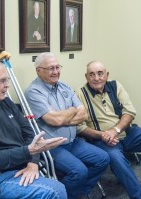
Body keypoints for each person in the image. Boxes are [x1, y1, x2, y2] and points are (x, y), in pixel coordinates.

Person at [0, 59, 67, 199]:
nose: (7, 85)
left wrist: (33, 162)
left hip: (22, 166)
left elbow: (30, 135)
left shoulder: (6, 102)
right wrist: (29, 151)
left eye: (7, 80)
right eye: (2, 81)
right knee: (55, 190)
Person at [24, 52, 110, 199]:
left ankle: (79, 192)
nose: (56, 72)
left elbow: (84, 114)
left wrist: (63, 117)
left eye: (57, 67)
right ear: (39, 70)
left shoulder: (64, 86)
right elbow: (54, 121)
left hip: (73, 141)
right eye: (51, 68)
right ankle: (64, 195)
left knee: (103, 158)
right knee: (79, 171)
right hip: (51, 146)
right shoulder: (33, 92)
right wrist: (71, 110)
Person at [75, 60, 141, 199]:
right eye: (92, 74)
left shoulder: (115, 86)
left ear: (107, 75)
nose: (96, 78)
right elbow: (80, 127)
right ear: (86, 77)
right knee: (116, 159)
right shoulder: (80, 93)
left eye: (100, 73)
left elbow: (130, 112)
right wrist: (102, 135)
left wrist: (115, 130)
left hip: (125, 132)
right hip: (101, 140)